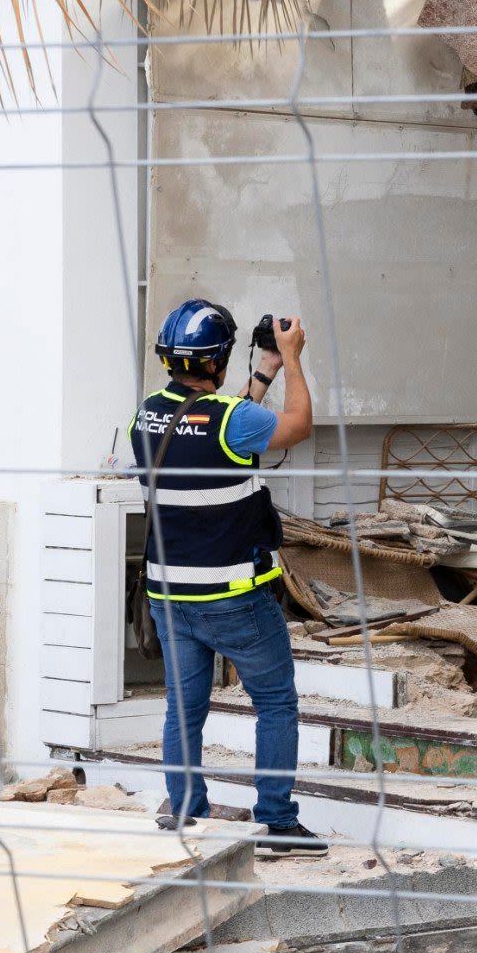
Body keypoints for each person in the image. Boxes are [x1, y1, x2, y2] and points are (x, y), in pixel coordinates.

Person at [131, 299, 327, 856]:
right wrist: (289, 359)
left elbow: (215, 434)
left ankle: (187, 816)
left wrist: (259, 374)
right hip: (234, 597)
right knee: (276, 701)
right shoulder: (231, 421)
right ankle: (275, 823)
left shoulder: (144, 416)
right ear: (218, 360)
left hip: (169, 596)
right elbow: (297, 427)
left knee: (183, 708)